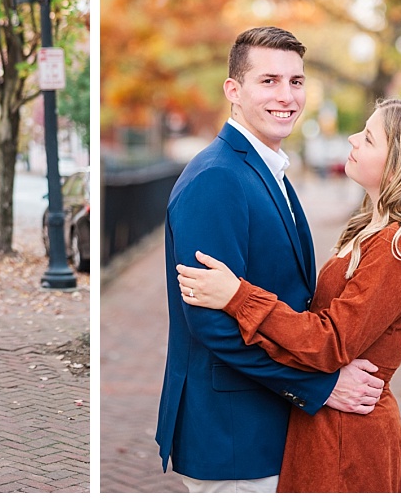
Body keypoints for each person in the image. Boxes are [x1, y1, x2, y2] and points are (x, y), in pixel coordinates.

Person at [177, 98, 401, 492]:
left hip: (349, 435)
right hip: (328, 422)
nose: (352, 139)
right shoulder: (372, 230)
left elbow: (332, 341)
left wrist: (238, 297)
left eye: (368, 137)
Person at [155, 26, 385, 493]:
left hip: (263, 424)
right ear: (233, 91)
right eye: (269, 81)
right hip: (233, 434)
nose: (287, 96)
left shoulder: (265, 169)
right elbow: (211, 324)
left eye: (296, 81)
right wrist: (321, 387)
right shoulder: (216, 178)